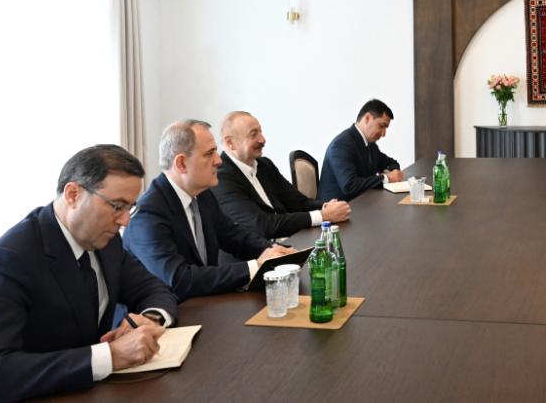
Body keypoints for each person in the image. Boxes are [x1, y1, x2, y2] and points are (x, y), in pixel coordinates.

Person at [0, 145, 177, 401]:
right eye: (116, 206)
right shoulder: (10, 259)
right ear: (73, 194)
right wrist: (110, 356)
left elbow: (153, 288)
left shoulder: (107, 240)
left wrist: (149, 319)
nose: (125, 222)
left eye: (130, 208)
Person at [123, 120, 294, 302]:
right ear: (181, 163)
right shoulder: (148, 215)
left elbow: (234, 236)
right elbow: (180, 279)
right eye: (209, 153)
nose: (219, 160)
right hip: (169, 312)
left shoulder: (202, 194)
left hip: (203, 302)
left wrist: (275, 252)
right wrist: (255, 266)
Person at [215, 111, 350, 239]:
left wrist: (327, 207)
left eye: (260, 132)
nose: (262, 139)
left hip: (290, 239)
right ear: (230, 143)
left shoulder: (265, 165)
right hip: (259, 252)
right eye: (253, 134)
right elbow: (262, 225)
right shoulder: (221, 178)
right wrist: (323, 215)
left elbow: (298, 202)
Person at [318, 99, 403, 201]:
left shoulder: (370, 144)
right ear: (367, 118)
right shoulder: (341, 145)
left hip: (362, 203)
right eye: (381, 126)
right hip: (339, 207)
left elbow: (391, 163)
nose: (384, 134)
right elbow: (350, 185)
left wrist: (392, 172)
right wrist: (386, 178)